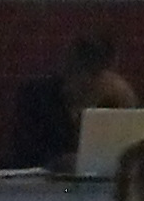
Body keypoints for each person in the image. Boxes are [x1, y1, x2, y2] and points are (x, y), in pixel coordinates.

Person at [10, 34, 137, 170]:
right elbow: (25, 152)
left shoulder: (114, 99)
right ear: (68, 70)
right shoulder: (37, 96)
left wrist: (128, 106)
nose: (88, 81)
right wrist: (59, 162)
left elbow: (129, 151)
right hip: (40, 178)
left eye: (97, 74)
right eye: (83, 71)